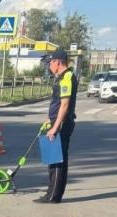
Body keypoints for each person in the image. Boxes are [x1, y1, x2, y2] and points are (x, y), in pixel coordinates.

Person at [35, 49, 78, 204]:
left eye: (50, 63)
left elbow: (65, 104)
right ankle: (52, 192)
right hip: (57, 122)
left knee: (57, 160)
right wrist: (50, 119)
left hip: (61, 124)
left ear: (58, 62)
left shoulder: (67, 78)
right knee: (53, 159)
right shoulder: (62, 77)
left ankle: (53, 196)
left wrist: (55, 127)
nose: (49, 66)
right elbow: (58, 103)